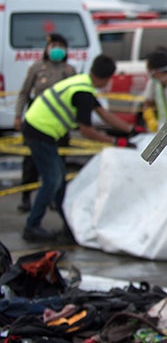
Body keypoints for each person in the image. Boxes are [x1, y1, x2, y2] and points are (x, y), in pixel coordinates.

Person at [21, 54, 140, 243]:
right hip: (39, 131)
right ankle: (32, 226)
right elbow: (86, 130)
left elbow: (103, 113)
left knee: (60, 182)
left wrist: (132, 130)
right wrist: (115, 142)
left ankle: (68, 226)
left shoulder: (83, 83)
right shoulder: (82, 92)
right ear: (106, 78)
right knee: (53, 181)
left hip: (42, 130)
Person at [13, 33, 77, 213]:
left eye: (60, 46)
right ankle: (26, 197)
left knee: (59, 163)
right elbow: (24, 93)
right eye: (53, 46)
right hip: (38, 121)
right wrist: (18, 115)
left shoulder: (69, 70)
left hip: (59, 124)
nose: (56, 50)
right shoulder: (37, 68)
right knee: (31, 162)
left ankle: (54, 198)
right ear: (47, 49)